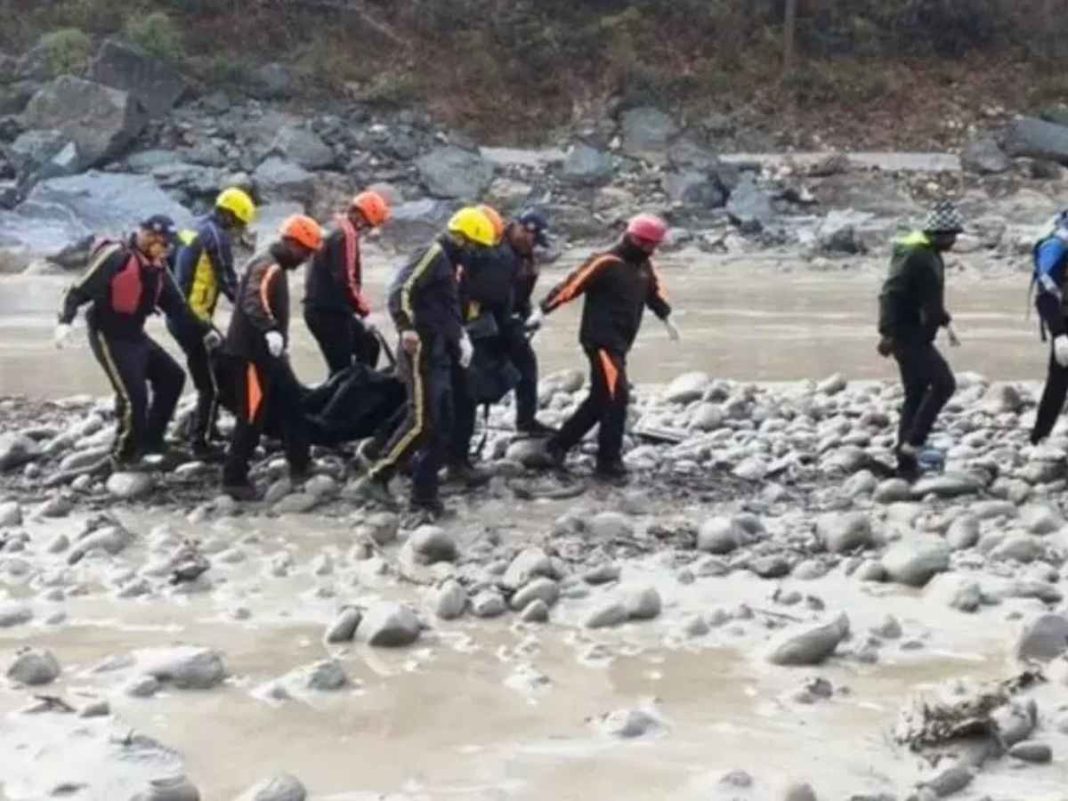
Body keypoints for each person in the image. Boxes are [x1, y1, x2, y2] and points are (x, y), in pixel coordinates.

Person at [354, 207, 493, 518]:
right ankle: (378, 475)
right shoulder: (432, 254)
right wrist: (405, 327)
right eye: (475, 246)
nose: (476, 254)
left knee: (441, 424)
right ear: (462, 238)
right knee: (421, 422)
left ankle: (425, 496)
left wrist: (459, 336)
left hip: (440, 352)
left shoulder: (451, 265)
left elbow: (448, 307)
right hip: (420, 351)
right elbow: (399, 290)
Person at [55, 215, 217, 468]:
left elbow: (177, 306)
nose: (168, 249)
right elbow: (79, 289)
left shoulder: (157, 265)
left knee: (172, 377)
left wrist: (205, 330)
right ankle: (124, 457)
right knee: (134, 398)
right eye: (165, 243)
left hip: (135, 334)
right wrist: (64, 322)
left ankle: (152, 441)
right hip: (108, 334)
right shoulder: (116, 256)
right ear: (150, 236)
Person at [532, 213, 680, 480]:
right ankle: (608, 462)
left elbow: (653, 292)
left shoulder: (643, 265)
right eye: (645, 243)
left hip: (621, 342)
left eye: (653, 245)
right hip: (600, 341)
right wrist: (544, 309)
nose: (649, 249)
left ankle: (558, 445)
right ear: (631, 237)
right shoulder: (606, 262)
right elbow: (572, 285)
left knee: (601, 398)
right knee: (617, 396)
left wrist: (665, 315)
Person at [221, 215, 324, 500]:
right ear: (291, 243)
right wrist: (270, 331)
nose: (305, 258)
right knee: (252, 416)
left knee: (292, 402)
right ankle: (233, 478)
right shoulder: (267, 266)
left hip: (270, 355)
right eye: (304, 251)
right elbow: (253, 300)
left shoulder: (273, 264)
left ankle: (300, 463)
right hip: (250, 356)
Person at [877, 200, 962, 480]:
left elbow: (924, 294)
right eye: (952, 236)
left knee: (915, 391)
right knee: (944, 383)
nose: (955, 241)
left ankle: (905, 461)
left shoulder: (930, 253)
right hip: (905, 333)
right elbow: (891, 293)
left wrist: (943, 318)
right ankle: (914, 443)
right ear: (940, 234)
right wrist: (887, 333)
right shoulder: (917, 256)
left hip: (917, 332)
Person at [170, 187, 257, 458]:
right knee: (210, 382)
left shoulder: (194, 228)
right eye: (240, 224)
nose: (238, 231)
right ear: (230, 217)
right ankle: (201, 443)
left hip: (182, 315)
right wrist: (252, 313)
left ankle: (207, 428)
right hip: (195, 319)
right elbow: (229, 281)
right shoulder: (217, 238)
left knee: (214, 369)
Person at [303, 191, 392, 376]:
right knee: (341, 370)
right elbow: (346, 280)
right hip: (328, 312)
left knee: (369, 344)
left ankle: (361, 390)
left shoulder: (338, 231)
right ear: (361, 218)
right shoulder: (346, 235)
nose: (368, 230)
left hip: (325, 309)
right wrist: (364, 311)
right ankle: (344, 399)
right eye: (369, 225)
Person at [503, 209, 552, 435]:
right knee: (479, 379)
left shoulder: (527, 258)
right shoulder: (497, 253)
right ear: (523, 229)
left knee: (526, 368)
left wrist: (530, 315)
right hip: (489, 323)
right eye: (533, 239)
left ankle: (526, 421)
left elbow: (521, 295)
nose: (534, 247)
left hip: (512, 322)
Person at [1030, 210, 1068, 445]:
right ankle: (1039, 437)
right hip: (1064, 320)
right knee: (1059, 380)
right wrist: (1060, 334)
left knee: (1058, 380)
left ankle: (1039, 436)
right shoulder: (1057, 245)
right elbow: (1044, 294)